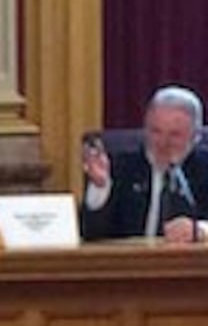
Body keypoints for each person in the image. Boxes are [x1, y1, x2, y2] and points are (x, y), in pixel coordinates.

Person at [82, 85, 208, 241]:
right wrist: (100, 187)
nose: (163, 143)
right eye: (156, 131)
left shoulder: (204, 168)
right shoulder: (118, 168)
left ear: (196, 137)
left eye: (175, 135)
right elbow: (90, 233)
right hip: (131, 263)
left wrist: (202, 230)